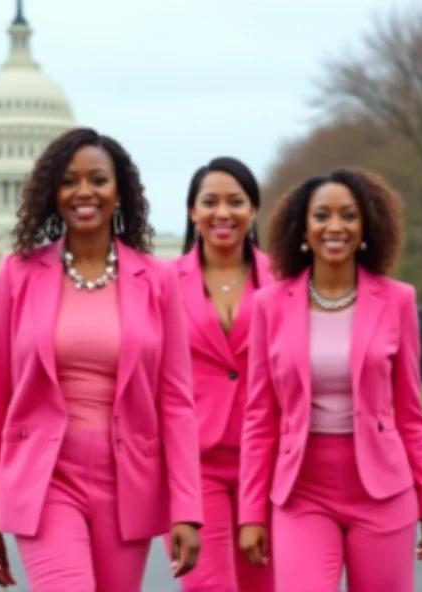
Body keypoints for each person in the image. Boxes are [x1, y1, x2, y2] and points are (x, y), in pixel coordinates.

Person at [0, 127, 202, 590]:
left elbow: (176, 402)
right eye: (69, 180)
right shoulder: (17, 275)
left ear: (119, 192)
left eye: (98, 179)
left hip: (129, 483)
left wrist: (187, 510)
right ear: (51, 193)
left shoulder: (157, 279)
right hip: (47, 479)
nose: (84, 192)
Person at [239, 168, 422, 591]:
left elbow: (413, 417)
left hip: (383, 492)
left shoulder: (398, 300)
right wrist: (251, 512)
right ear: (303, 229)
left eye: (349, 215)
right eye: (322, 215)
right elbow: (259, 418)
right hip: (301, 492)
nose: (335, 226)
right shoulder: (268, 305)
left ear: (365, 227)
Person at [172, 157, 275, 591]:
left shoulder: (286, 278)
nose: (222, 213)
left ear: (253, 210)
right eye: (209, 201)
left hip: (271, 462)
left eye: (236, 201)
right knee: (207, 585)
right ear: (192, 212)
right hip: (194, 464)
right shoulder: (162, 282)